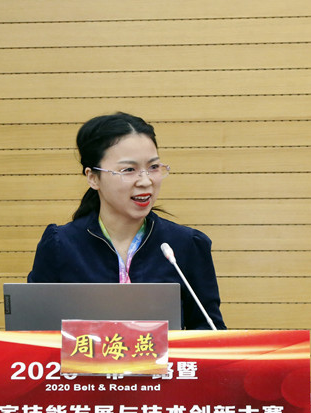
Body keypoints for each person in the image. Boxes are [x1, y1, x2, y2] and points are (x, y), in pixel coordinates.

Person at [27, 112, 226, 330]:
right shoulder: (60, 245)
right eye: (129, 170)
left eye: (153, 167)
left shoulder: (186, 245)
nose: (145, 181)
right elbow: (33, 332)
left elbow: (210, 334)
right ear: (93, 177)